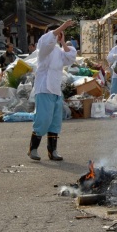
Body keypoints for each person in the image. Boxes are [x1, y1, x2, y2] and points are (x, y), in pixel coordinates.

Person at [27, 19, 76, 161]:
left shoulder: (60, 51)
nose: (58, 35)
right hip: (44, 88)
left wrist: (63, 42)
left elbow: (70, 58)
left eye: (61, 34)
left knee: (55, 122)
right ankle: (33, 149)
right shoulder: (43, 48)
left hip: (55, 89)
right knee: (43, 119)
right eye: (56, 33)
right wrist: (62, 27)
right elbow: (47, 41)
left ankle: (52, 151)